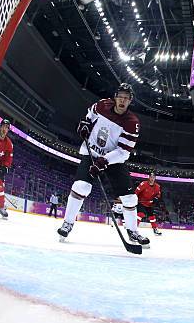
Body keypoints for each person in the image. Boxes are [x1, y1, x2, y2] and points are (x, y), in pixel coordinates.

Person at [57, 83, 149, 247]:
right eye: (120, 96)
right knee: (81, 187)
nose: (122, 100)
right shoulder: (101, 105)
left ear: (130, 101)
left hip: (112, 160)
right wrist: (85, 124)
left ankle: (133, 231)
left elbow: (124, 152)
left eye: (126, 98)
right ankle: (68, 223)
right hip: (91, 153)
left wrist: (104, 161)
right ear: (115, 97)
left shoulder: (132, 123)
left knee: (130, 197)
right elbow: (89, 115)